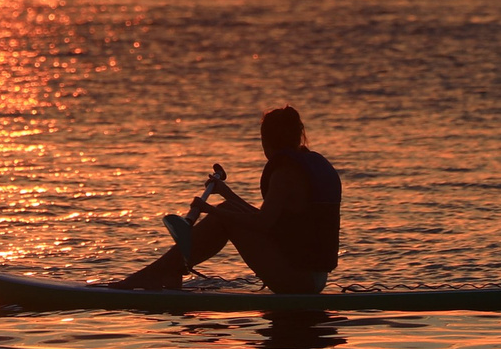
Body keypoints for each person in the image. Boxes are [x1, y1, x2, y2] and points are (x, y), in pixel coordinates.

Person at [112, 105, 342, 293]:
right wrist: (226, 194)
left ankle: (160, 272)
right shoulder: (307, 165)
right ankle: (167, 270)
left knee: (224, 217)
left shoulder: (284, 174)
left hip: (297, 280)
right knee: (228, 209)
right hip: (311, 277)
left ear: (267, 140)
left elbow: (263, 224)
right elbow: (271, 220)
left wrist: (211, 211)